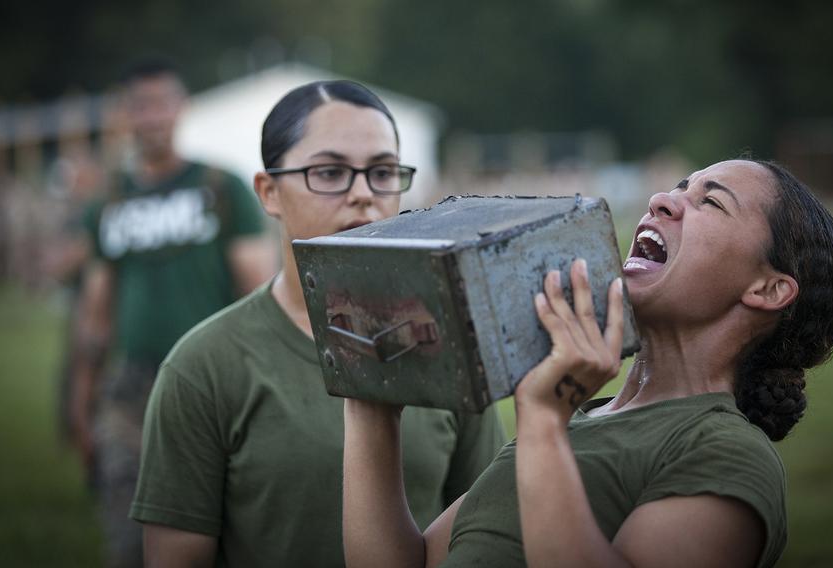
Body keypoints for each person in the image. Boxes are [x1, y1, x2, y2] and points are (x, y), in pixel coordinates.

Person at [343, 159, 833, 567]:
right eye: (678, 187)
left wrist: (542, 419)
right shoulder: (575, 423)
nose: (661, 201)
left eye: (711, 202)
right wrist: (370, 406)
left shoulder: (728, 453)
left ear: (767, 288)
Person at [130, 80, 507, 567]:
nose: (362, 195)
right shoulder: (203, 366)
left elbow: (485, 533)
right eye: (329, 172)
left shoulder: (452, 351)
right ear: (268, 192)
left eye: (383, 172)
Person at [69, 58, 274, 568]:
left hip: (212, 381)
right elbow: (97, 308)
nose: (152, 116)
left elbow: (262, 293)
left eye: (162, 102)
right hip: (131, 387)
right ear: (126, 116)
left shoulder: (220, 188)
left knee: (220, 531)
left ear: (181, 108)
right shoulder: (110, 200)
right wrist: (83, 396)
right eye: (140, 105)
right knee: (130, 534)